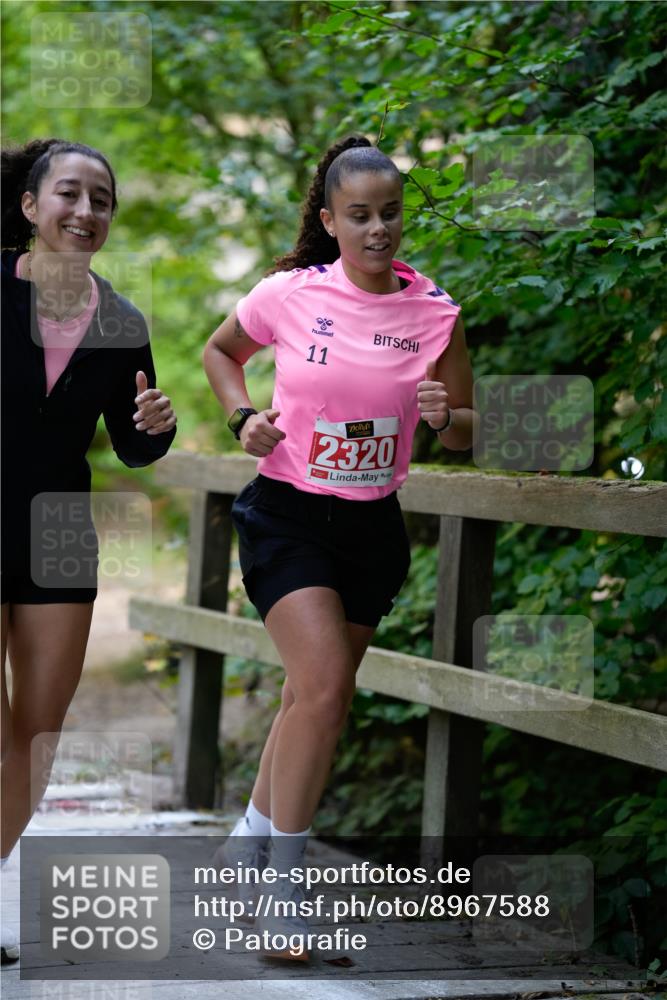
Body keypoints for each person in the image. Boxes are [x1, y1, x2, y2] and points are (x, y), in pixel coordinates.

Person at [203, 134, 474, 961]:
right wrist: (241, 417)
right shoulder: (289, 294)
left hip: (370, 528)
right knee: (322, 690)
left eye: (389, 213)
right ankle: (282, 896)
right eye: (358, 215)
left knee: (309, 697)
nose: (377, 228)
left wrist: (446, 418)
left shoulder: (435, 311)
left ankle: (246, 846)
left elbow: (463, 433)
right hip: (286, 514)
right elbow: (220, 352)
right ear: (329, 220)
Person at [0, 139, 177, 964]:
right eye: (68, 193)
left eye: (100, 199)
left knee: (38, 734)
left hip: (61, 534)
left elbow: (133, 447)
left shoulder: (122, 321)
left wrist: (155, 428)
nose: (85, 210)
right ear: (30, 206)